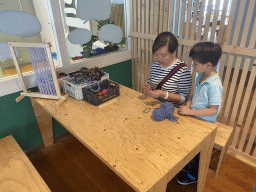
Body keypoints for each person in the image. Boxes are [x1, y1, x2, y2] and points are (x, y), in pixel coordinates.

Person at [177, 41, 223, 185]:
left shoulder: (215, 85)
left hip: (205, 124)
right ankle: (190, 164)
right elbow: (195, 94)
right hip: (194, 119)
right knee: (190, 147)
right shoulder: (201, 75)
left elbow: (213, 110)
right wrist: (189, 103)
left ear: (208, 64)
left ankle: (194, 175)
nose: (193, 66)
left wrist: (190, 111)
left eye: (195, 64)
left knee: (199, 153)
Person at [143, 32, 192, 107]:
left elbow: (184, 98)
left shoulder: (183, 71)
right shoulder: (155, 65)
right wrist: (148, 87)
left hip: (172, 111)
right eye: (156, 54)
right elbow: (151, 83)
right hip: (155, 106)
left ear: (173, 52)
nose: (159, 58)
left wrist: (164, 94)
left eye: (163, 55)